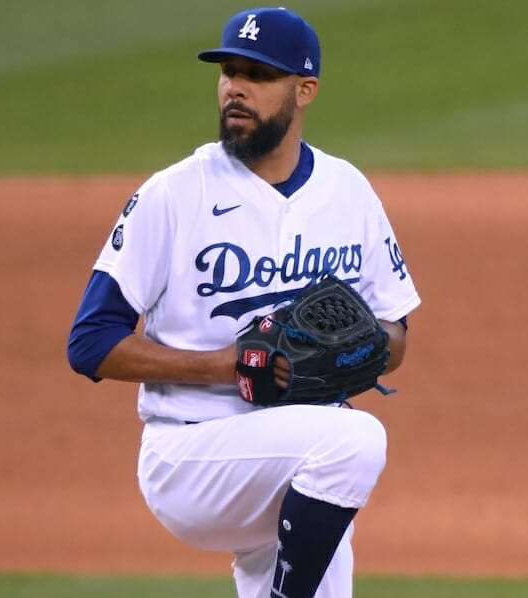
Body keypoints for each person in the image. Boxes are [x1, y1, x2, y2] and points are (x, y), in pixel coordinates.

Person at [68, 7, 421, 598]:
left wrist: (345, 356)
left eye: (258, 74)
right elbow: (90, 342)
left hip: (295, 459)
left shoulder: (348, 192)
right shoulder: (174, 194)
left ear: (304, 90)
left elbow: (395, 334)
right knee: (355, 441)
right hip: (191, 451)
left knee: (334, 453)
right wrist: (226, 365)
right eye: (229, 71)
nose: (235, 87)